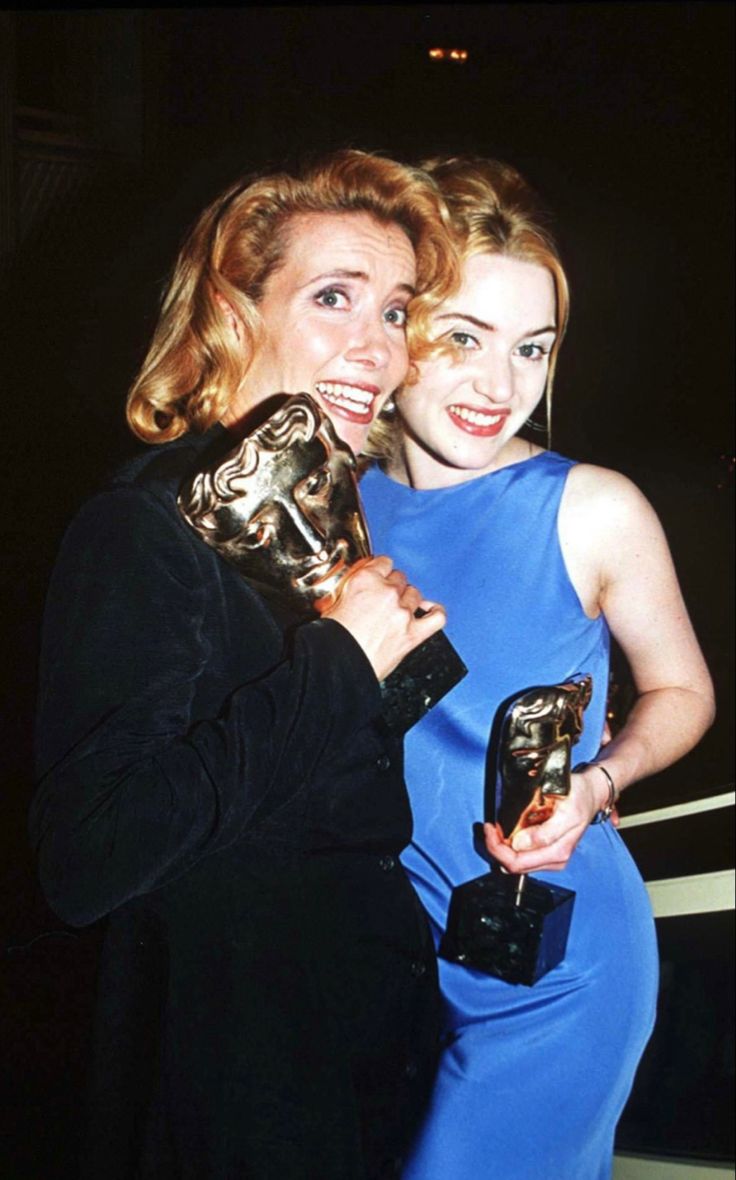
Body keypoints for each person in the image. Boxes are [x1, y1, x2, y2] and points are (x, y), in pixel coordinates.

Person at [29, 149, 459, 1179]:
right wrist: (344, 659)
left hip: (360, 1054)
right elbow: (87, 858)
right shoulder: (142, 524)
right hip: (235, 1092)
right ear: (232, 311)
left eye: (395, 310)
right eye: (333, 298)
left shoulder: (320, 518)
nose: (379, 348)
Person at [359, 156, 715, 1179]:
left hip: (555, 967)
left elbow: (685, 692)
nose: (499, 385)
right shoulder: (338, 507)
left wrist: (599, 781)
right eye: (461, 338)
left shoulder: (591, 506)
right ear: (398, 328)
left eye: (531, 348)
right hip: (386, 954)